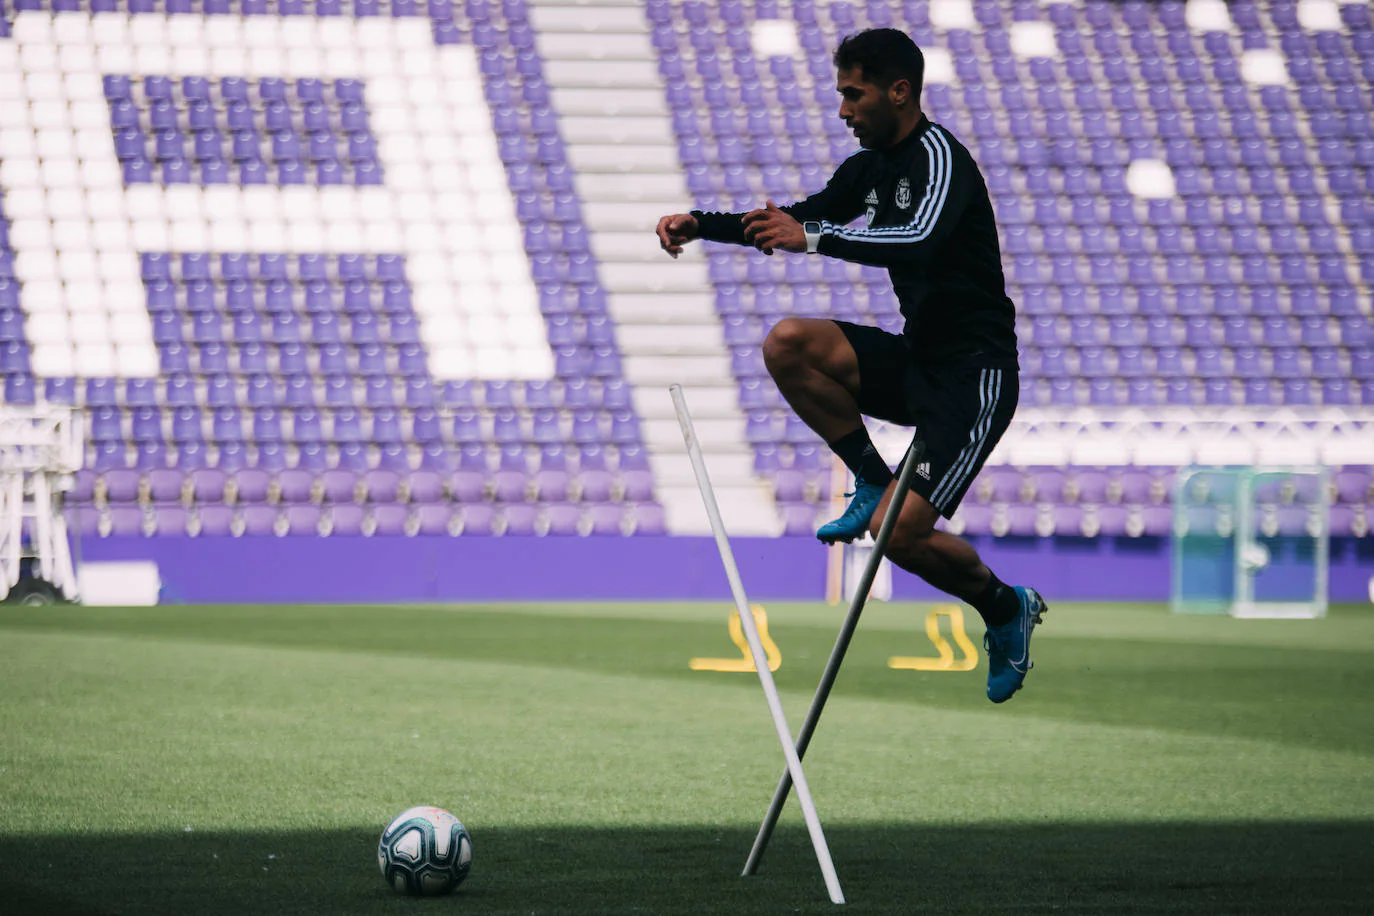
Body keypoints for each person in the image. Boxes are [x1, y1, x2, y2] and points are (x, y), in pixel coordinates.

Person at [655, 28, 1046, 703]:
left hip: (973, 378)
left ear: (898, 91)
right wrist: (701, 222)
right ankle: (869, 477)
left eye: (852, 94)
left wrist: (815, 238)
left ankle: (1004, 606)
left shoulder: (941, 158)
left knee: (896, 535)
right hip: (919, 360)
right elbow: (799, 219)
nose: (843, 110)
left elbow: (919, 240)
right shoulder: (865, 170)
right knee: (789, 343)